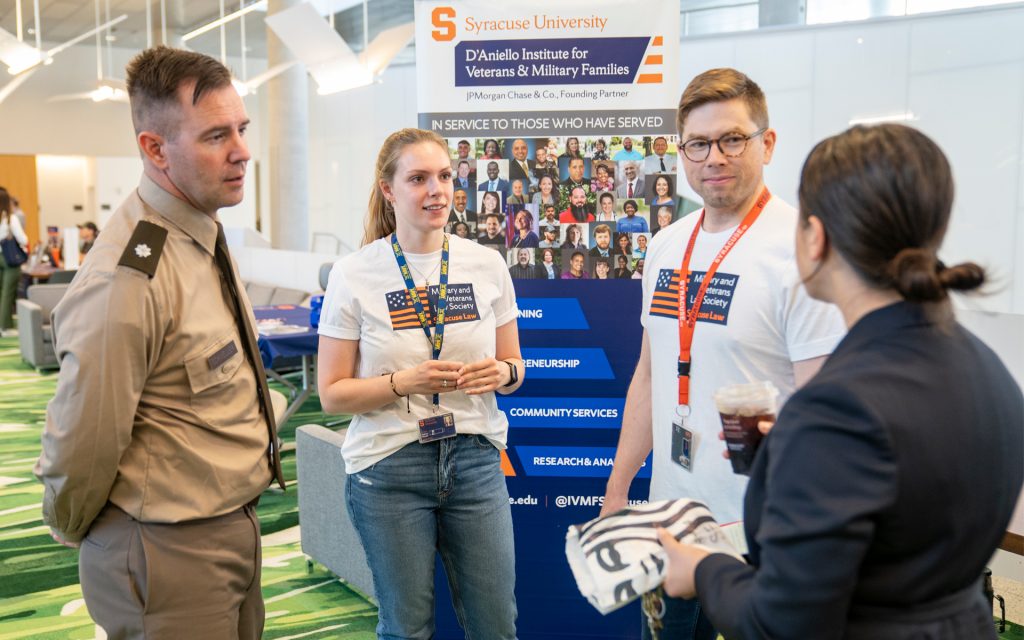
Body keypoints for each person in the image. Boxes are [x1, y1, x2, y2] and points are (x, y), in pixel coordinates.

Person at [657, 123, 1024, 640]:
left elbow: (779, 621)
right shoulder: (986, 370)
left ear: (816, 237)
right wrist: (789, 457)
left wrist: (701, 569)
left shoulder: (838, 408)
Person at [34, 46, 285, 639]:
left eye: (242, 129)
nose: (242, 151)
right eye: (216, 135)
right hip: (167, 552)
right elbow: (85, 434)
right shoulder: (129, 276)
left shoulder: (196, 231)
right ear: (154, 149)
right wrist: (79, 527)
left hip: (228, 529)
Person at [600, 67, 846, 640]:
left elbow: (825, 409)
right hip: (670, 520)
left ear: (768, 142)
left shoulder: (803, 250)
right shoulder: (665, 244)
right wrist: (617, 492)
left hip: (761, 536)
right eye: (699, 144)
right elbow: (650, 375)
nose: (716, 157)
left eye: (733, 139)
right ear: (681, 152)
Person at [317, 127, 523, 640]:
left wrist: (502, 373)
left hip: (475, 460)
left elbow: (515, 367)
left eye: (445, 176)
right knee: (406, 629)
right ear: (388, 190)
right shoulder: (354, 272)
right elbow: (332, 393)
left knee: (496, 627)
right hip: (388, 467)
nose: (437, 190)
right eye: (418, 179)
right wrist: (402, 381)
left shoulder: (486, 263)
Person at [0, 189, 28, 336]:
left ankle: (5, 324)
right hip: (8, 258)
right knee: (7, 293)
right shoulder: (11, 218)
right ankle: (4, 327)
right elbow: (24, 240)